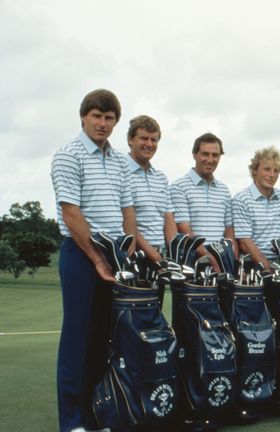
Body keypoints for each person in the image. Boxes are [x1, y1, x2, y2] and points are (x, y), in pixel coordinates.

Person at [51, 89, 136, 432]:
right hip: (81, 256)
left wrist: (125, 253)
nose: (102, 123)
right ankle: (71, 422)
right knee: (77, 340)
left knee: (103, 342)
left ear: (116, 122)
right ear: (84, 116)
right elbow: (72, 214)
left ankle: (93, 416)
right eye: (97, 116)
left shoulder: (119, 162)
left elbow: (128, 211)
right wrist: (99, 260)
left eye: (109, 117)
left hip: (114, 256)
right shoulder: (67, 155)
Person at [170, 132, 236, 266]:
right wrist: (209, 258)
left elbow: (229, 229)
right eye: (205, 154)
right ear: (194, 154)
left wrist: (232, 260)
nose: (210, 159)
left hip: (221, 258)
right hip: (193, 260)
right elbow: (184, 229)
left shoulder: (224, 190)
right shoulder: (179, 187)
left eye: (215, 155)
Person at [232, 146, 280, 271]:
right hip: (253, 264)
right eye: (267, 169)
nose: (272, 175)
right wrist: (269, 269)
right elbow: (245, 242)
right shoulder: (241, 199)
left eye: (276, 171)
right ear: (254, 170)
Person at [124, 115, 177, 262]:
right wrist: (154, 256)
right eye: (144, 138)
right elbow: (126, 218)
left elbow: (168, 217)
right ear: (130, 139)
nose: (149, 144)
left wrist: (174, 252)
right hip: (134, 255)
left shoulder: (160, 178)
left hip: (159, 256)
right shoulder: (120, 172)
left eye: (154, 139)